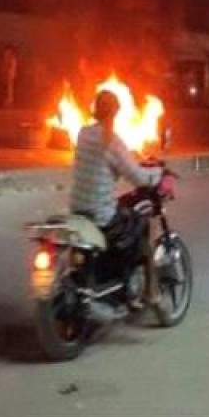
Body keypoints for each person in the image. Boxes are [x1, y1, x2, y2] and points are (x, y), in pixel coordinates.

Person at [69, 90, 161, 285]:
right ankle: (143, 288)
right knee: (141, 224)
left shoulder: (82, 134)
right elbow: (137, 177)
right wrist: (158, 174)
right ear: (115, 112)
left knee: (122, 209)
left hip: (77, 209)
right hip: (100, 213)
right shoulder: (113, 141)